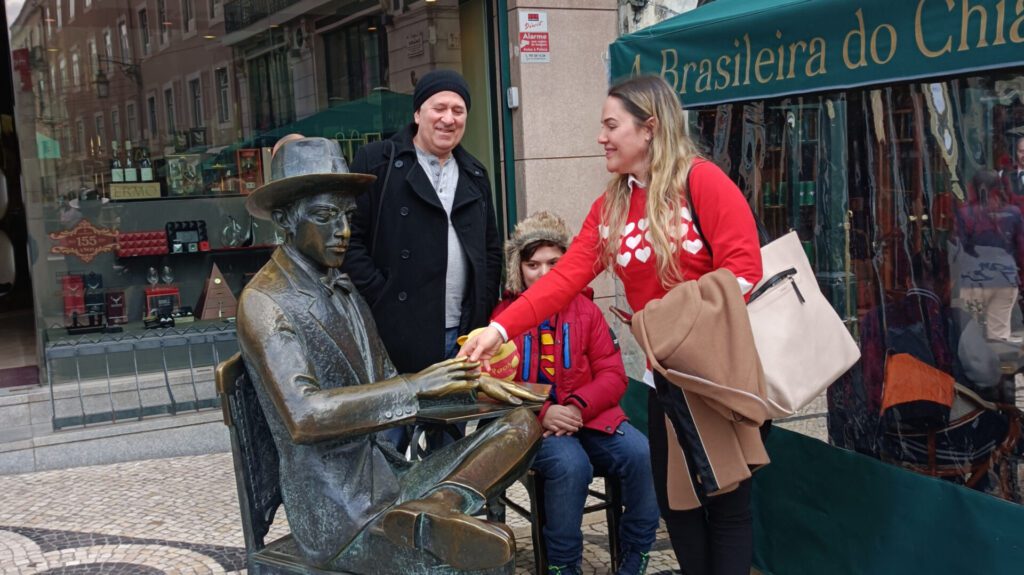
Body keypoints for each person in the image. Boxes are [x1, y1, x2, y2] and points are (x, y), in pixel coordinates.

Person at [460, 75, 765, 575]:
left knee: (726, 505)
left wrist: (675, 325)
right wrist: (497, 332)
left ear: (649, 128)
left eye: (610, 125)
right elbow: (559, 284)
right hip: (664, 381)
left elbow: (744, 271)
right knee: (679, 504)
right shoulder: (612, 207)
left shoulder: (703, 181)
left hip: (718, 375)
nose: (601, 137)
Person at [235, 136, 544, 574]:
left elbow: (387, 381)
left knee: (520, 424)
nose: (343, 231)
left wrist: (471, 389)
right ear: (285, 220)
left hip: (390, 478)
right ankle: (429, 522)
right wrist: (416, 388)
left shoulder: (344, 291)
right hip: (339, 511)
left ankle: (438, 505)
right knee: (472, 565)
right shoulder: (265, 301)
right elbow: (304, 416)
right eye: (325, 217)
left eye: (347, 216)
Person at [342, 69, 502, 451]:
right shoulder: (378, 161)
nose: (449, 118)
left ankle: (437, 512)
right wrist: (381, 294)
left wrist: (482, 311)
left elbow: (491, 248)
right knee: (386, 445)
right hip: (392, 336)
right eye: (440, 107)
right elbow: (348, 239)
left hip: (457, 337)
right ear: (417, 113)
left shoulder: (476, 173)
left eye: (459, 110)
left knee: (449, 450)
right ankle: (389, 513)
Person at [495, 211, 660, 575]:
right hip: (534, 426)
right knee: (571, 466)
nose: (544, 273)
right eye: (533, 264)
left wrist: (576, 407)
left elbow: (613, 374)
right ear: (518, 268)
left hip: (591, 417)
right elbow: (497, 384)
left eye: (555, 262)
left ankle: (635, 555)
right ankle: (563, 564)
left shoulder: (586, 311)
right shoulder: (507, 316)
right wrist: (544, 412)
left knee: (642, 454)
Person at [954, 169, 1024, 344]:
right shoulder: (1013, 213)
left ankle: (972, 371)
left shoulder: (964, 213)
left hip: (973, 281)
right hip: (1004, 280)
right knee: (999, 338)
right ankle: (997, 370)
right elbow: (1021, 250)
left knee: (969, 336)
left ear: (973, 188)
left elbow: (958, 250)